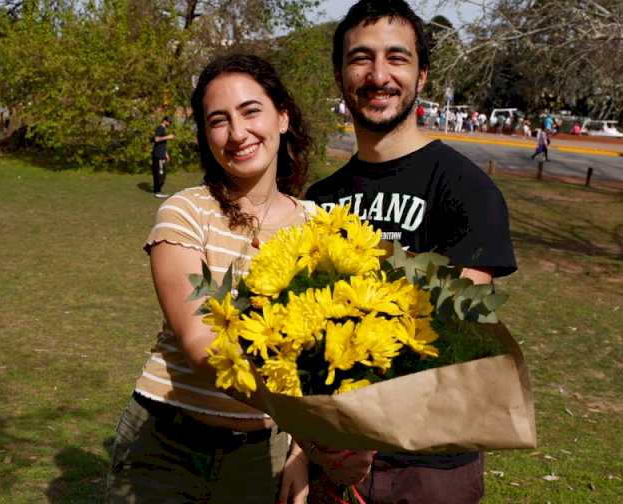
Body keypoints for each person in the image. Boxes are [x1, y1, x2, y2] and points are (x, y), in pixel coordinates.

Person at [304, 2, 518, 502]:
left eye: (396, 58)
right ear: (340, 76)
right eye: (361, 58)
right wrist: (310, 445)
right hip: (332, 457)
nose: (379, 75)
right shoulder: (317, 200)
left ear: (421, 75)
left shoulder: (467, 189)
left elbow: (452, 327)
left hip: (429, 465)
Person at [106, 54, 316, 504]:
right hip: (166, 445)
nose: (237, 134)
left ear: (282, 116)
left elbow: (323, 366)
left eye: (250, 111)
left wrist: (304, 450)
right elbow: (203, 345)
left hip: (260, 458)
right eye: (218, 120)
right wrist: (302, 416)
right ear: (206, 135)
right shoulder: (186, 212)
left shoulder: (325, 229)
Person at [151, 116, 175, 198]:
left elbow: (161, 144)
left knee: (160, 172)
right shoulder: (160, 128)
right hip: (158, 155)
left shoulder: (163, 129)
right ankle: (158, 192)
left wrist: (166, 154)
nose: (169, 124)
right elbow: (156, 139)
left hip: (161, 154)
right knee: (160, 173)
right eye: (169, 122)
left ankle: (156, 190)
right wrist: (168, 137)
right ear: (165, 121)